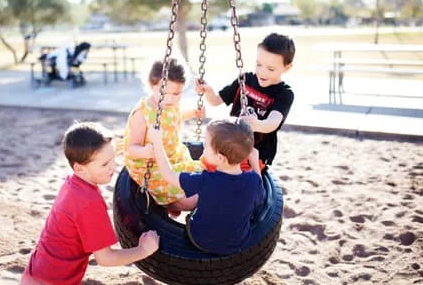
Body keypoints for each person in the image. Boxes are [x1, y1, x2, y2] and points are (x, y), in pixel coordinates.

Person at [22, 122, 159, 285]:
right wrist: (143, 250)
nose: (113, 167)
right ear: (79, 168)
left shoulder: (72, 185)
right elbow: (105, 258)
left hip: (35, 274)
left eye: (113, 159)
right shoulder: (88, 202)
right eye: (104, 164)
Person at [147, 118, 264, 255]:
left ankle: (170, 207)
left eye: (206, 145)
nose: (203, 147)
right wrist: (255, 163)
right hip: (237, 242)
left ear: (221, 158)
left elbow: (168, 175)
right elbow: (260, 195)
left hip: (200, 239)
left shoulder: (205, 179)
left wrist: (157, 143)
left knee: (198, 202)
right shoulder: (253, 181)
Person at [195, 32, 295, 170]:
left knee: (235, 176)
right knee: (205, 165)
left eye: (270, 69)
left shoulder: (284, 93)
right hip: (230, 144)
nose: (262, 72)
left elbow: (273, 122)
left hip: (256, 152)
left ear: (287, 67)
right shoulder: (245, 80)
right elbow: (216, 101)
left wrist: (257, 124)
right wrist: (208, 91)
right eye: (259, 64)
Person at [124, 58, 205, 215]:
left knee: (201, 176)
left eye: (176, 93)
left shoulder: (172, 104)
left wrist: (193, 113)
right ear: (151, 85)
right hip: (150, 166)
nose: (170, 99)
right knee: (192, 201)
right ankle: (168, 205)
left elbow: (175, 118)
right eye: (164, 93)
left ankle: (172, 200)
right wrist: (145, 151)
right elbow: (131, 148)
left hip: (172, 157)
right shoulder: (142, 114)